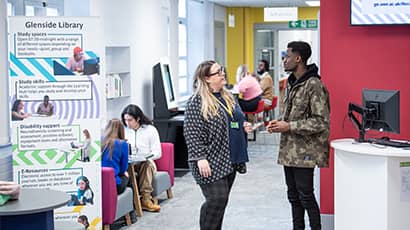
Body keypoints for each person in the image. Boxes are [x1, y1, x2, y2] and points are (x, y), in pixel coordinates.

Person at [266, 41, 330, 230]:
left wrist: (289, 126)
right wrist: (278, 124)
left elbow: (321, 121)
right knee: (293, 196)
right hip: (289, 151)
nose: (284, 61)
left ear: (298, 58)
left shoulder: (314, 85)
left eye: (287, 56)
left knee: (306, 196)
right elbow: (290, 115)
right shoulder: (292, 83)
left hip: (305, 152)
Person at [183, 60, 252, 230]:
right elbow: (191, 132)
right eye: (218, 72)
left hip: (230, 158)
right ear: (207, 78)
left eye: (221, 70)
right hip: (209, 160)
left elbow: (237, 118)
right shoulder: (196, 102)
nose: (223, 74)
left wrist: (243, 125)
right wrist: (200, 158)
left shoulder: (228, 96)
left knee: (222, 202)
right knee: (216, 200)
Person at [121, 104, 161, 212]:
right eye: (125, 120)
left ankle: (146, 199)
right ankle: (130, 203)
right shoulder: (123, 131)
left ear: (138, 118)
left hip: (146, 162)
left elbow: (158, 152)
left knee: (146, 164)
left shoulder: (150, 130)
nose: (127, 123)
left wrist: (146, 156)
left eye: (130, 120)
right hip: (129, 164)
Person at [101, 119, 129, 195]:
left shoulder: (99, 141)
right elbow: (123, 169)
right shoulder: (123, 144)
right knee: (130, 178)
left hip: (99, 182)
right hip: (114, 183)